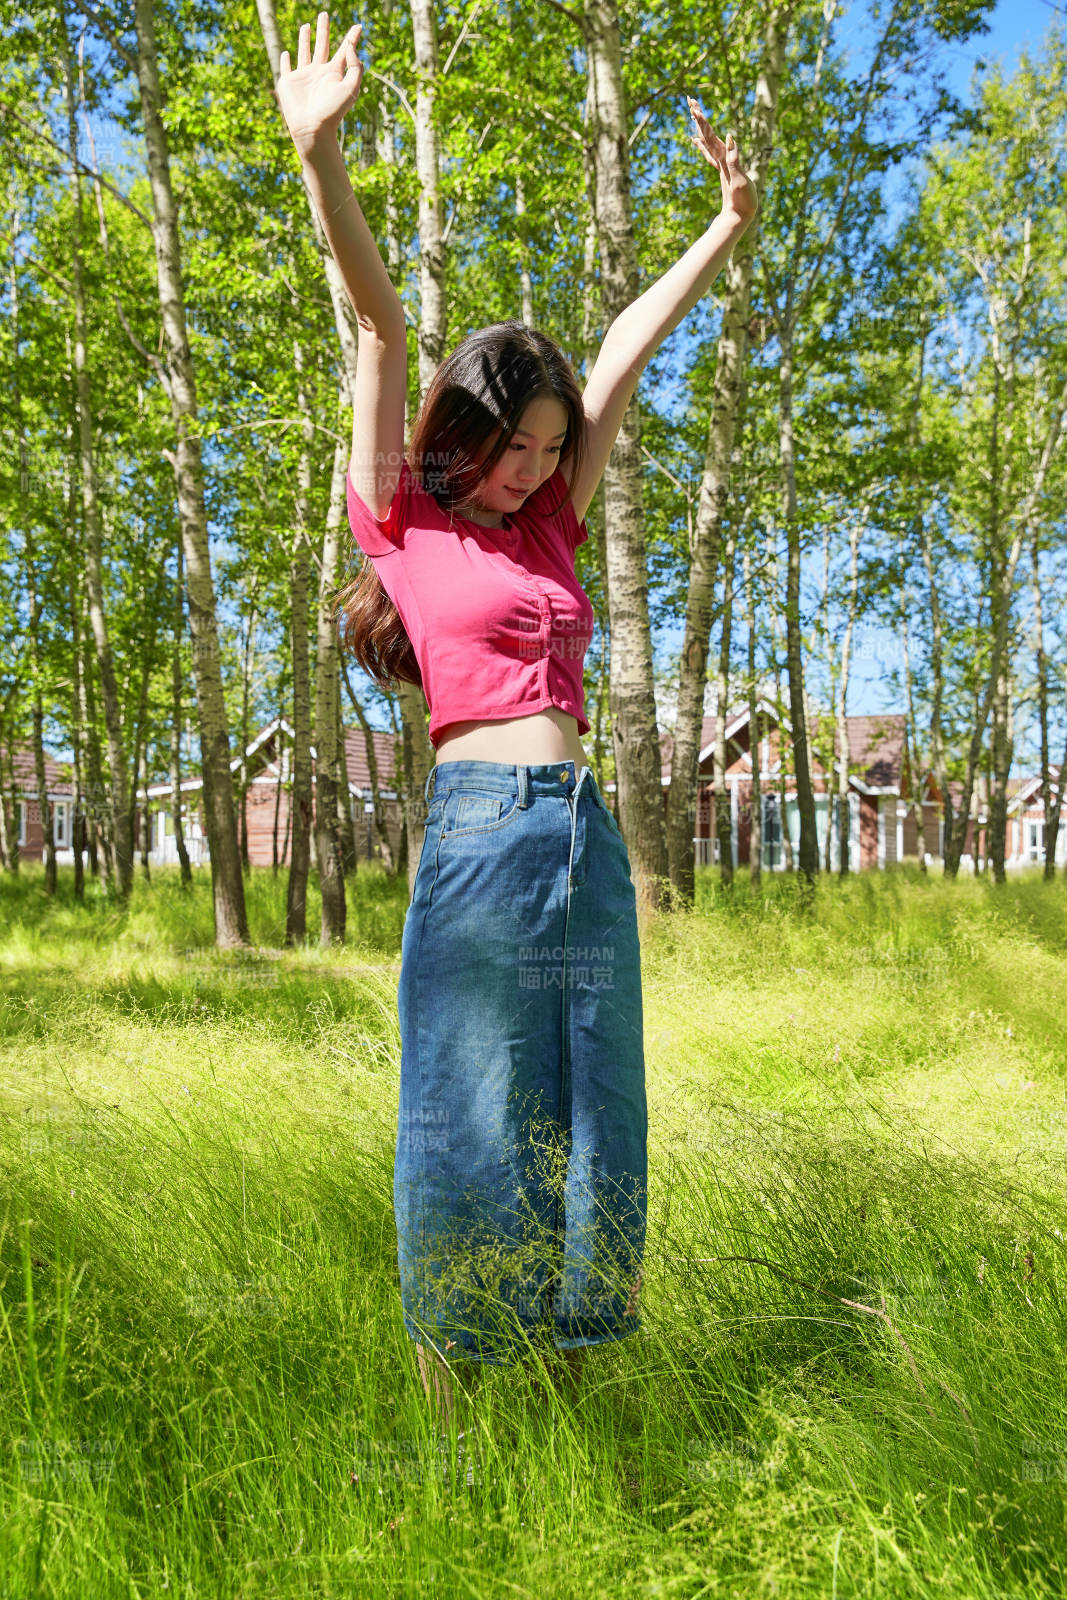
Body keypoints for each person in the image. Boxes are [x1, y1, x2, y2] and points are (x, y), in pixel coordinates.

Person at [276, 11, 758, 1433]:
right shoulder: (406, 518)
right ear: (462, 433)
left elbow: (617, 349)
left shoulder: (550, 534)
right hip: (481, 842)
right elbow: (378, 319)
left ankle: (575, 1391)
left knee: (595, 1103)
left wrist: (722, 231)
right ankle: (445, 1400)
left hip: (581, 841)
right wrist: (324, 156)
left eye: (554, 452)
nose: (536, 471)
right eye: (515, 446)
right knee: (462, 1109)